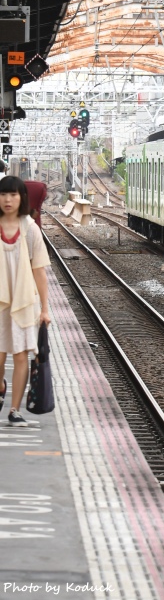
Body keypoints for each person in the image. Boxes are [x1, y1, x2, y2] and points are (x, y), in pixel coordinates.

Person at [0, 176, 51, 426]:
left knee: (20, 355)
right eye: (3, 195)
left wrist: (45, 308)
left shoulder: (30, 228)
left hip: (22, 300)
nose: (8, 200)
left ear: (22, 198)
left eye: (13, 195)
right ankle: (1, 385)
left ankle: (14, 410)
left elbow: (39, 270)